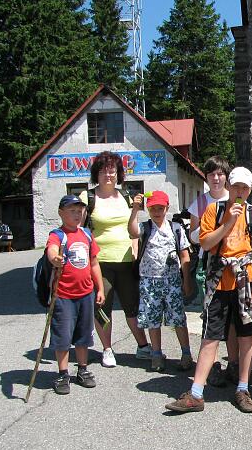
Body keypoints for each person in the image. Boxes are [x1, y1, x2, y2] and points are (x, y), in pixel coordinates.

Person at [165, 167, 252, 414]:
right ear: (229, 187)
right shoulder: (214, 210)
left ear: (250, 190)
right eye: (236, 186)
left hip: (245, 282)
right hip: (218, 283)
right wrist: (228, 221)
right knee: (210, 336)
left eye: (245, 188)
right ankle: (196, 393)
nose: (240, 192)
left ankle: (243, 388)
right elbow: (206, 243)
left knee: (246, 336)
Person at [80, 151, 151, 367]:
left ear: (118, 173)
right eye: (103, 171)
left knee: (133, 307)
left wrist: (136, 251)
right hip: (99, 262)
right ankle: (107, 349)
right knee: (103, 307)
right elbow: (79, 231)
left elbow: (133, 227)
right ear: (96, 174)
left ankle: (143, 346)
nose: (108, 175)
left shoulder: (126, 196)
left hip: (126, 261)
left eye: (112, 170)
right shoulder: (87, 197)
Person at [128, 190, 195, 372]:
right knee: (153, 320)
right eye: (152, 209)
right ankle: (156, 354)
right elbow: (132, 232)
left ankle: (186, 353)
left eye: (160, 208)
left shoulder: (176, 228)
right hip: (149, 282)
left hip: (172, 281)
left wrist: (186, 281)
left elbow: (184, 255)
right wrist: (135, 210)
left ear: (166, 208)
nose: (156, 212)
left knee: (178, 319)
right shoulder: (145, 227)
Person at [187, 157, 240, 386]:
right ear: (206, 178)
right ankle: (214, 364)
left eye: (220, 174)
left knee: (234, 318)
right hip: (210, 263)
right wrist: (210, 229)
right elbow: (192, 236)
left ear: (226, 177)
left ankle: (234, 363)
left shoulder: (235, 198)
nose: (216, 178)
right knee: (212, 317)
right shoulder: (200, 203)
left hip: (234, 263)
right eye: (211, 175)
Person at [46, 195, 105, 395]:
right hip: (63, 295)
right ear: (61, 213)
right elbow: (52, 249)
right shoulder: (58, 235)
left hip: (86, 294)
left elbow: (94, 263)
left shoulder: (86, 234)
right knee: (62, 336)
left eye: (80, 211)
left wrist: (100, 288)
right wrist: (55, 258)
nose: (77, 214)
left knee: (83, 334)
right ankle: (63, 374)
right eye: (72, 211)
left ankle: (82, 369)